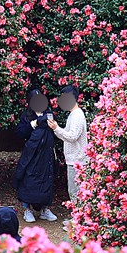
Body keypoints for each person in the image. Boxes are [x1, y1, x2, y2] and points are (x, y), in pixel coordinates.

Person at [14, 89, 58, 223]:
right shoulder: (27, 116)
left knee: (46, 180)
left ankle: (45, 209)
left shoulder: (49, 114)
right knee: (29, 180)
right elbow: (20, 133)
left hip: (46, 154)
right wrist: (35, 123)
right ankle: (27, 209)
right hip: (31, 155)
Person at [48, 84, 87, 232]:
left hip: (78, 160)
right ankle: (76, 218)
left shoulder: (77, 115)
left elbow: (72, 137)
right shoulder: (73, 114)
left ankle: (79, 221)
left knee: (76, 191)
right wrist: (57, 129)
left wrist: (56, 129)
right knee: (74, 190)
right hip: (74, 159)